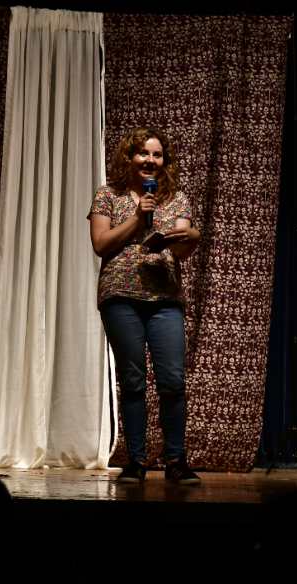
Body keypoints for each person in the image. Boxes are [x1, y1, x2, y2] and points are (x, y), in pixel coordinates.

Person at [88, 126, 201, 484]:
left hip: (165, 297)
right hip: (121, 297)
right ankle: (136, 461)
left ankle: (176, 461)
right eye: (143, 153)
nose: (150, 160)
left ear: (164, 161)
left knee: (172, 380)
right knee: (133, 380)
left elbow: (180, 251)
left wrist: (189, 238)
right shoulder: (108, 195)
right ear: (130, 157)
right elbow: (100, 244)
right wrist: (138, 218)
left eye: (157, 155)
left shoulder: (177, 199)